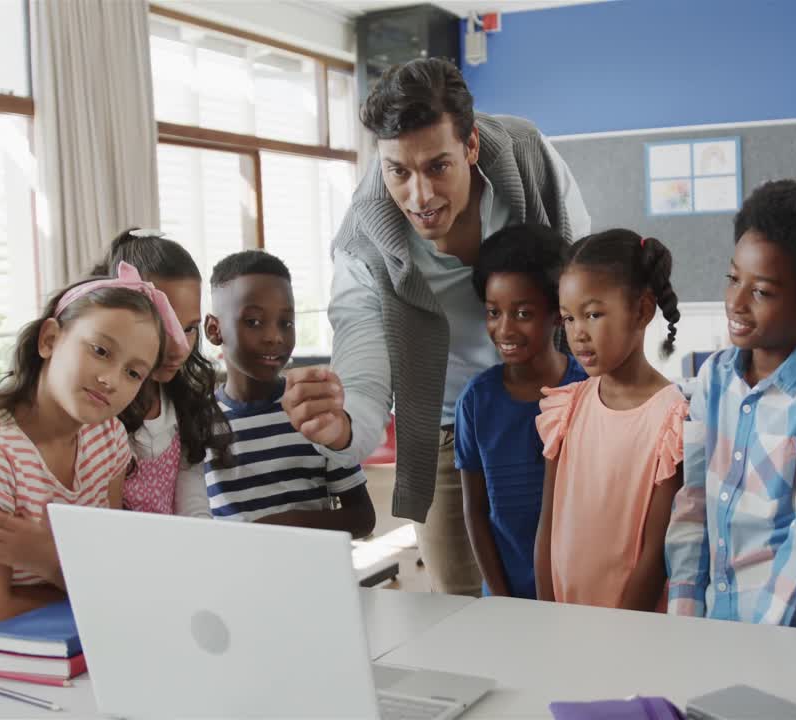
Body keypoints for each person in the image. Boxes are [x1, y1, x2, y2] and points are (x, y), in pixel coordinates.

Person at [280, 57, 590, 595]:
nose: (419, 197)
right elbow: (362, 344)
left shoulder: (527, 156)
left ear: (469, 147)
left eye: (438, 168)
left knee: (575, 583)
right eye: (398, 171)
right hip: (449, 428)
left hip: (558, 406)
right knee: (462, 610)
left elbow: (584, 278)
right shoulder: (364, 237)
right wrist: (347, 426)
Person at [0, 265, 171, 646]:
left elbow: (111, 570)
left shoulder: (108, 439)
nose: (111, 379)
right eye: (101, 351)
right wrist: (82, 578)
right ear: (50, 340)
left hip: (77, 648)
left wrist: (49, 558)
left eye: (133, 373)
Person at [666, 180, 796, 626]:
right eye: (733, 278)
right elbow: (693, 502)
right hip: (707, 625)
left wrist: (762, 640)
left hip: (777, 631)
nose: (736, 302)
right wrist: (683, 616)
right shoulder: (712, 378)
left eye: (761, 291)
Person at [534, 229, 686, 611]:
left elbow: (656, 554)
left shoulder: (672, 419)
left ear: (642, 310)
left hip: (632, 627)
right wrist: (546, 611)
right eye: (568, 319)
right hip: (564, 617)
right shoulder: (566, 408)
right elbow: (547, 526)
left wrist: (619, 632)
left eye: (593, 314)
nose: (578, 333)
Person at [455, 224, 586, 599]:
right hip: (506, 594)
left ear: (557, 314)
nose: (504, 329)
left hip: (577, 594)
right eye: (494, 312)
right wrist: (499, 597)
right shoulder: (476, 402)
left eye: (523, 313)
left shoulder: (587, 392)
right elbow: (476, 513)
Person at [203, 251, 374, 536]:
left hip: (310, 576)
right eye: (254, 322)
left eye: (286, 323)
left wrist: (287, 527)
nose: (275, 336)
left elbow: (362, 518)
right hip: (235, 578)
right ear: (214, 329)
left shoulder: (316, 414)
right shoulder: (197, 422)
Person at [89, 228, 232, 517]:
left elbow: (192, 496)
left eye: (189, 328)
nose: (179, 346)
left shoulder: (183, 402)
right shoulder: (95, 411)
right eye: (162, 326)